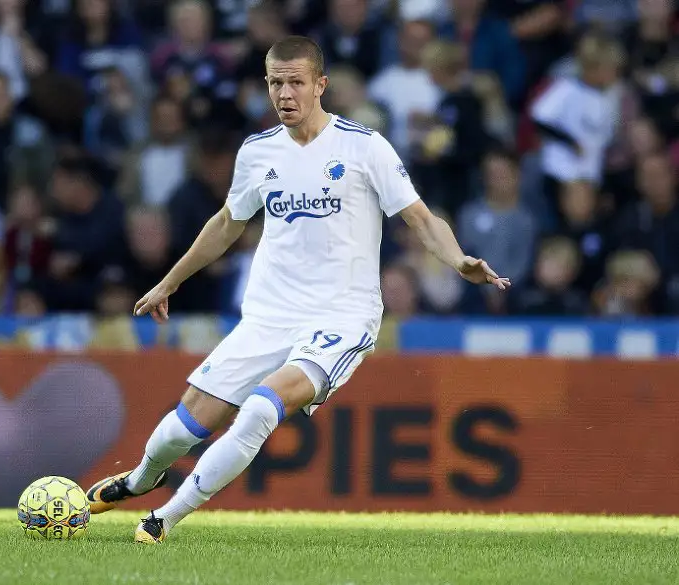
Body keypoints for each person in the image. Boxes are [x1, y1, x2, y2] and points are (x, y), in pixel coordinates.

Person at [83, 36, 511, 544]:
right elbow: (226, 223)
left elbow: (419, 217)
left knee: (263, 408)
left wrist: (458, 258)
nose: (284, 94)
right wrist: (168, 282)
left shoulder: (363, 146)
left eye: (295, 82)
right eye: (275, 83)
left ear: (320, 85)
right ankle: (139, 480)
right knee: (183, 428)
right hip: (268, 315)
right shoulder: (258, 151)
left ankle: (162, 519)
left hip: (341, 317)